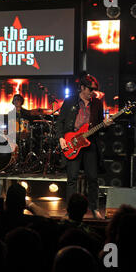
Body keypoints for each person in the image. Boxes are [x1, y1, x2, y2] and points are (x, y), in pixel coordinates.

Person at [55, 73, 113, 219]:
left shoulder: (97, 103)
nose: (92, 92)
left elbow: (99, 125)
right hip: (72, 141)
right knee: (72, 178)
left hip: (90, 144)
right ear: (82, 87)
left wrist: (105, 125)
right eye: (90, 89)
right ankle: (71, 210)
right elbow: (60, 121)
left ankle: (94, 208)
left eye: (94, 90)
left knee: (93, 178)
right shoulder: (70, 101)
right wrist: (61, 138)